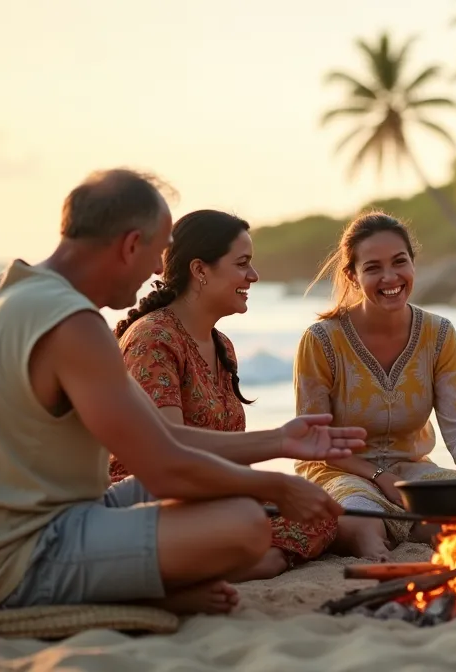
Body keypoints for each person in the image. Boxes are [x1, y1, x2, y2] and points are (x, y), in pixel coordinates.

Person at [0, 169, 363, 615]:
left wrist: (280, 440)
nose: (160, 268)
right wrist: (276, 486)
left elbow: (164, 437)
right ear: (130, 245)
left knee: (237, 504)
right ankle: (137, 596)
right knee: (243, 524)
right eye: (158, 252)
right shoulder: (74, 324)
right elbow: (166, 470)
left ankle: (141, 588)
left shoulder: (3, 293)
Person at [107, 209, 338, 580]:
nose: (254, 275)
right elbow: (167, 448)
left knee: (319, 515)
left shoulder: (222, 345)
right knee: (273, 522)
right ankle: (239, 562)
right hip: (152, 498)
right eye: (242, 264)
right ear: (200, 270)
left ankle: (249, 559)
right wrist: (277, 444)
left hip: (213, 492)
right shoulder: (154, 338)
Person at [293, 211, 456, 561]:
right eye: (373, 268)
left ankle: (411, 528)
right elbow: (317, 443)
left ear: (413, 263)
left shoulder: (439, 334)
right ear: (352, 275)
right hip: (339, 472)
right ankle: (377, 550)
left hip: (413, 473)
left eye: (399, 262)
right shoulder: (321, 341)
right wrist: (378, 477)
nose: (390, 277)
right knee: (363, 518)